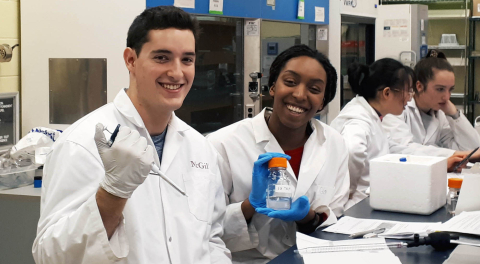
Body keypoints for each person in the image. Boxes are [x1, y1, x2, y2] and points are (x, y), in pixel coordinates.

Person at [32, 6, 231, 264]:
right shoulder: (81, 143)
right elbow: (51, 256)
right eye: (162, 57)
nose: (177, 72)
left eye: (187, 60)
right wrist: (112, 194)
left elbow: (212, 238)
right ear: (131, 60)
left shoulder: (200, 147)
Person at [207, 45, 350, 263]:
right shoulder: (223, 144)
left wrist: (309, 217)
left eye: (314, 89)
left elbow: (336, 219)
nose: (300, 94)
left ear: (322, 101)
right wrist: (249, 206)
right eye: (290, 82)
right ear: (272, 87)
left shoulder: (334, 144)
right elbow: (205, 230)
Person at [330, 58, 411, 208]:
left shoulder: (373, 116)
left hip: (367, 201)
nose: (409, 98)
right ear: (387, 93)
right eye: (407, 92)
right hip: (353, 207)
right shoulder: (359, 119)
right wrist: (349, 191)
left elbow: (394, 148)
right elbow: (353, 151)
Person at [382, 55, 480, 162]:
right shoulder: (397, 108)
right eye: (440, 89)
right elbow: (403, 149)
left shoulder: (440, 114)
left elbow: (473, 150)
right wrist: (455, 154)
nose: (447, 97)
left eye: (450, 90)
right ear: (419, 86)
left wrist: (455, 115)